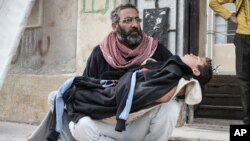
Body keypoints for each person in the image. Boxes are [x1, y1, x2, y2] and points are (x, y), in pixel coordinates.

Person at [29, 3, 212, 141]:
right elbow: (86, 91)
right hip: (107, 120)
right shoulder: (100, 54)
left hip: (140, 120)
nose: (135, 25)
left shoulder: (156, 50)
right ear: (115, 27)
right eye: (128, 20)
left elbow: (181, 78)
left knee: (171, 108)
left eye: (137, 20)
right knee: (81, 125)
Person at [209, 0, 250, 125]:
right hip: (243, 36)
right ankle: (248, 119)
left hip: (243, 36)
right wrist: (229, 16)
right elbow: (213, 3)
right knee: (244, 79)